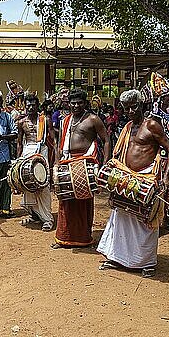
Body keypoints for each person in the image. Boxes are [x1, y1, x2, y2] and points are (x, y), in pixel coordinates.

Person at [96, 89, 169, 276]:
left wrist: (164, 177)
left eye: (134, 107)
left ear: (143, 105)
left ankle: (146, 263)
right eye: (127, 108)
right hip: (126, 177)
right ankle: (118, 258)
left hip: (146, 177)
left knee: (145, 221)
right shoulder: (128, 126)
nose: (130, 111)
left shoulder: (153, 125)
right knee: (121, 217)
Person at [53, 88, 111, 248]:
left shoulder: (93, 119)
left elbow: (106, 140)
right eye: (73, 103)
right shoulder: (65, 120)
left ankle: (83, 238)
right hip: (67, 162)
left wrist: (104, 163)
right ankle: (63, 238)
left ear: (85, 103)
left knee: (83, 202)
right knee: (65, 201)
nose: (76, 106)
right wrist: (58, 162)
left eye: (79, 103)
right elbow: (59, 144)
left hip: (85, 163)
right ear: (69, 104)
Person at [16, 94, 55, 231]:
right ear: (25, 107)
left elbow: (53, 141)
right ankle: (35, 215)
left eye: (33, 105)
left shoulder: (45, 120)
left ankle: (47, 218)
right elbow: (20, 143)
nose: (31, 108)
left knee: (43, 186)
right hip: (28, 153)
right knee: (28, 185)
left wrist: (54, 161)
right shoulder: (21, 122)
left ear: (38, 106)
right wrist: (17, 161)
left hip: (42, 152)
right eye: (28, 106)